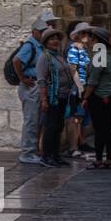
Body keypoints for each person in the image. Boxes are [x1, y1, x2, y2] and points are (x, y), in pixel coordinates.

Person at [12, 11, 59, 165]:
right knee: (31, 121)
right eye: (41, 32)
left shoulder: (41, 46)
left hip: (39, 85)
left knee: (38, 120)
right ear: (34, 32)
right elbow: (17, 60)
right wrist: (22, 78)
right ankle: (27, 152)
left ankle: (34, 150)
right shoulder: (30, 45)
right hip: (31, 86)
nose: (44, 34)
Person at [81, 27, 111, 169]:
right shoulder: (105, 54)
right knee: (106, 127)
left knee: (101, 128)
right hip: (107, 95)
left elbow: (93, 81)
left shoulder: (100, 56)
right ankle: (108, 157)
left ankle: (100, 159)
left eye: (91, 38)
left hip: (100, 96)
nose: (89, 41)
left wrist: (85, 97)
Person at [35, 28, 71, 167]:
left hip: (62, 96)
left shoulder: (58, 56)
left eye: (56, 38)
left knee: (58, 127)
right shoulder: (45, 57)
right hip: (51, 97)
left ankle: (55, 155)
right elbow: (42, 80)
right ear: (46, 42)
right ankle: (46, 156)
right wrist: (44, 100)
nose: (55, 41)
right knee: (50, 127)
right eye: (51, 39)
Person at [64, 22, 95, 158]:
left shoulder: (83, 49)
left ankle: (77, 144)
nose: (86, 35)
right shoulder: (73, 49)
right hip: (76, 88)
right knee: (74, 117)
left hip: (83, 86)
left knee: (79, 117)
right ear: (77, 35)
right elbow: (73, 69)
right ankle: (73, 147)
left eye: (88, 33)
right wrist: (80, 86)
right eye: (83, 33)